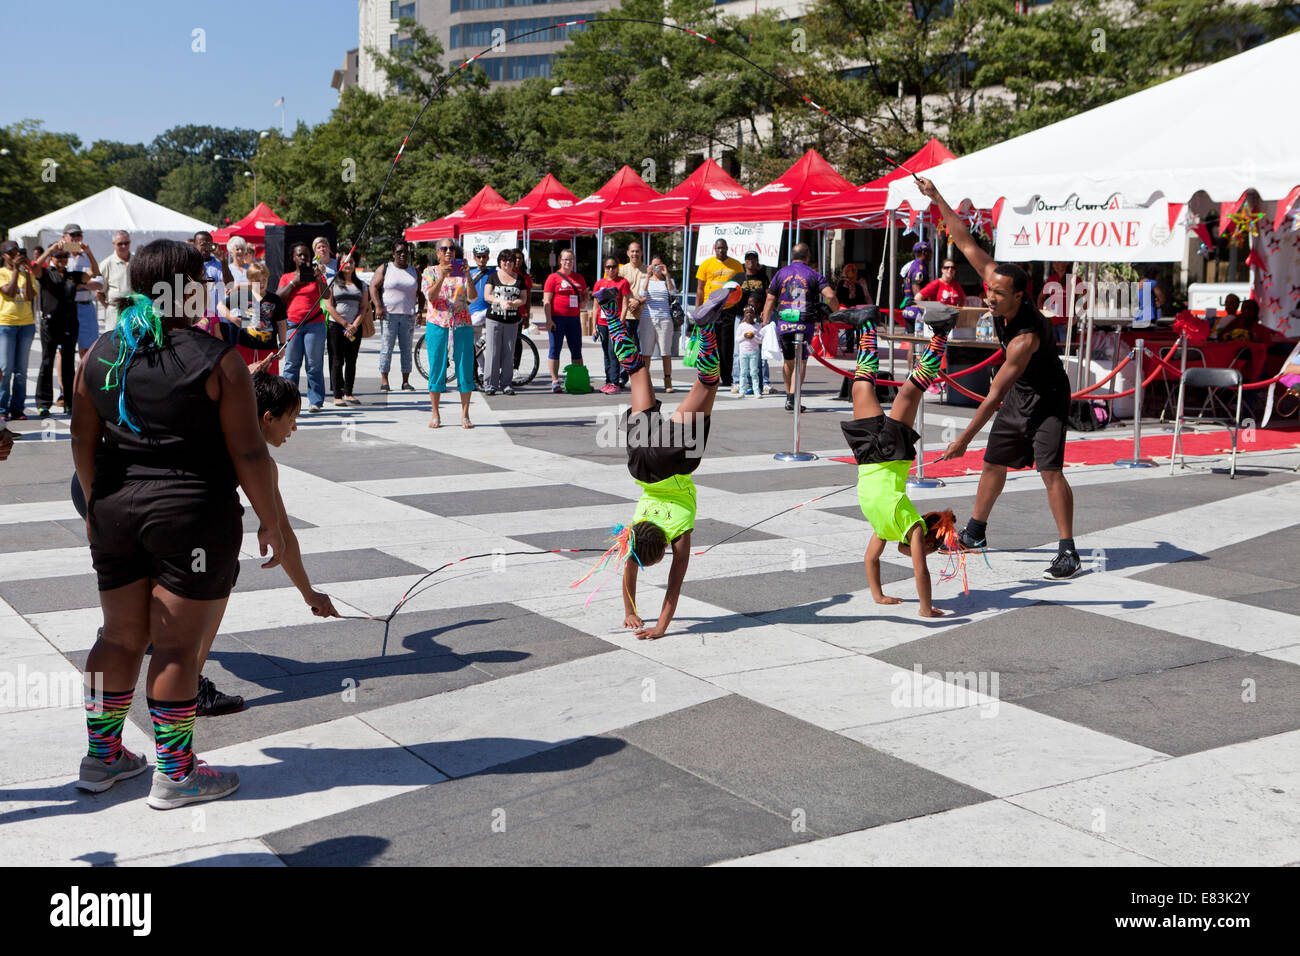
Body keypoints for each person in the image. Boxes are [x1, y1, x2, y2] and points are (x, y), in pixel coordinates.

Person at [69, 238, 282, 807]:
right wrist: (272, 521)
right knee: (176, 650)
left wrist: (95, 506)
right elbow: (251, 453)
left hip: (115, 511)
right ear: (189, 288)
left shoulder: (98, 354)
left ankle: (103, 756)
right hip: (192, 515)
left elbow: (80, 441)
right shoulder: (218, 359)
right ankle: (177, 773)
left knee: (116, 637)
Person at [919, 177, 1080, 580]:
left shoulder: (1025, 337)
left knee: (1050, 471)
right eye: (988, 290)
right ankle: (975, 533)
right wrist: (936, 195)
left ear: (1019, 297)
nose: (989, 296)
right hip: (1021, 395)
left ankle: (1068, 550)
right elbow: (964, 240)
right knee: (994, 463)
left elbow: (992, 396)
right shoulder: (996, 279)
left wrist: (962, 440)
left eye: (998, 294)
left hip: (1048, 398)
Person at [601, 272, 723, 640]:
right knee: (637, 372)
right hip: (640, 461)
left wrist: (661, 627)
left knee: (708, 382)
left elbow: (674, 585)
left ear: (663, 547)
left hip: (674, 459)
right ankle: (609, 312)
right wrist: (630, 612)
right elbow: (628, 570)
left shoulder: (679, 535)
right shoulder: (633, 533)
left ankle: (707, 331)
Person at [841, 302, 960, 617]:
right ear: (930, 541)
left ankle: (867, 326)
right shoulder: (913, 526)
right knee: (909, 393)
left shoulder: (886, 528)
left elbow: (871, 559)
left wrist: (878, 596)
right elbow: (920, 571)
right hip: (892, 455)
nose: (917, 553)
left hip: (867, 457)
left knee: (861, 388)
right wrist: (925, 608)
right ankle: (942, 333)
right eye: (928, 550)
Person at [762, 242, 839, 411]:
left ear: (792, 256)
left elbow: (769, 299)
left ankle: (789, 397)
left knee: (788, 360)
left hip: (784, 322)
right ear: (808, 257)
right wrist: (835, 313)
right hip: (804, 322)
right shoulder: (813, 274)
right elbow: (830, 296)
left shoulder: (781, 273)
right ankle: (793, 396)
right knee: (801, 360)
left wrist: (765, 321)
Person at [30, 242, 88, 417]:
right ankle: (43, 403)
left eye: (65, 256)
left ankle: (69, 402)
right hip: (50, 323)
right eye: (58, 256)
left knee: (69, 364)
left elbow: (95, 273)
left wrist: (88, 252)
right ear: (52, 258)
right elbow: (34, 268)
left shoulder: (73, 276)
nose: (62, 259)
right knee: (47, 362)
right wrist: (49, 250)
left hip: (70, 323)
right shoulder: (47, 274)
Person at [422, 238, 475, 428]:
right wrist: (442, 277)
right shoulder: (430, 272)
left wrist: (469, 276)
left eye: (452, 248)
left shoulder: (461, 272)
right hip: (438, 324)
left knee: (465, 366)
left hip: (462, 324)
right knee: (437, 366)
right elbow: (431, 296)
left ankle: (465, 414)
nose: (448, 252)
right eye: (444, 249)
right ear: (437, 253)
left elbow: (473, 297)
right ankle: (435, 413)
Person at [277, 242, 330, 412]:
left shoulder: (316, 275)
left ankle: (315, 400)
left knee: (314, 365)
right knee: (291, 364)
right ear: (293, 258)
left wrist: (320, 278)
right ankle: (287, 402)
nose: (302, 258)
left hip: (315, 324)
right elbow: (279, 297)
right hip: (293, 325)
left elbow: (327, 295)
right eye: (299, 255)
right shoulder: (287, 277)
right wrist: (295, 282)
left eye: (306, 255)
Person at [370, 241, 422, 393]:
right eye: (399, 252)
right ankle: (385, 381)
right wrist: (378, 306)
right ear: (393, 254)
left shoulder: (414, 271)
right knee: (387, 348)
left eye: (405, 251)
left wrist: (420, 311)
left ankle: (405, 381)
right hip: (389, 315)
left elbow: (421, 293)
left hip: (408, 315)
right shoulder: (386, 268)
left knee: (407, 349)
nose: (403, 254)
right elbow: (373, 286)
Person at [218, 261, 287, 373]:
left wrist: (282, 345)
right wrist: (233, 319)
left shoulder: (275, 299)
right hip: (246, 348)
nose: (262, 283)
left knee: (269, 384)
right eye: (257, 280)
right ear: (250, 281)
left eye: (264, 279)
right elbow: (220, 306)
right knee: (246, 383)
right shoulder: (244, 295)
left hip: (269, 350)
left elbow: (281, 323)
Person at [695, 238, 743, 389]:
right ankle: (710, 374)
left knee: (726, 345)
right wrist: (698, 309)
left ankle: (727, 377)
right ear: (714, 249)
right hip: (711, 309)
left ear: (728, 249)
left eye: (723, 248)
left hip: (728, 309)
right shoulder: (706, 264)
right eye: (718, 248)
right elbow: (700, 289)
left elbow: (740, 289)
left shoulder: (736, 265)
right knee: (711, 343)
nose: (721, 250)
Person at [0, 241, 38, 422]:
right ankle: (2, 407)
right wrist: (15, 269)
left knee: (21, 370)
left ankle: (17, 408)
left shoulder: (26, 272)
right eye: (10, 253)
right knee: (5, 369)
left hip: (26, 324)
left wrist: (27, 269)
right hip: (5, 324)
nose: (15, 255)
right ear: (3, 256)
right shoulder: (1, 273)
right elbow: (9, 292)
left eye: (17, 252)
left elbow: (30, 296)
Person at [325, 256, 369, 406]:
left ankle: (349, 393)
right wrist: (344, 324)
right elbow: (329, 306)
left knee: (352, 360)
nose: (348, 264)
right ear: (339, 264)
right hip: (337, 326)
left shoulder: (361, 284)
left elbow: (363, 307)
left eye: (351, 261)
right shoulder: (332, 281)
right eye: (345, 262)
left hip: (355, 326)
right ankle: (337, 395)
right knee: (337, 360)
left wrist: (354, 325)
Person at [542, 248, 588, 392]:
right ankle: (555, 380)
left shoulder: (579, 278)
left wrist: (584, 300)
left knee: (576, 350)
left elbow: (585, 293)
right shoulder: (553, 278)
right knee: (555, 349)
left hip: (573, 319)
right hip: (557, 318)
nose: (568, 262)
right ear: (560, 261)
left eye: (571, 259)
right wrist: (549, 320)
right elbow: (546, 301)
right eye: (565, 259)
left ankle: (578, 378)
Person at [482, 249, 524, 396]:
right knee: (493, 352)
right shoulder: (493, 277)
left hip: (512, 320)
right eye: (504, 260)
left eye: (510, 260)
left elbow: (523, 298)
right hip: (494, 318)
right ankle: (490, 384)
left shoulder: (519, 279)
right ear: (500, 262)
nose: (507, 263)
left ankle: (506, 383)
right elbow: (487, 296)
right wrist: (499, 301)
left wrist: (513, 304)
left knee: (509, 352)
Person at [59, 224, 103, 358]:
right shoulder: (59, 255)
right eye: (72, 235)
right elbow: (56, 281)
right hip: (66, 307)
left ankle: (81, 379)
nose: (76, 238)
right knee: (64, 351)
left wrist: (80, 285)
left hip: (85, 306)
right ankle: (64, 380)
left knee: (87, 350)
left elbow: (99, 285)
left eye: (79, 235)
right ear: (64, 237)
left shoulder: (88, 256)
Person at [593, 256, 634, 393]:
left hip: (615, 324)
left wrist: (620, 321)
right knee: (606, 353)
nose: (611, 269)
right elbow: (595, 307)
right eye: (608, 267)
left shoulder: (623, 282)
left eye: (613, 267)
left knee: (613, 352)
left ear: (617, 268)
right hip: (602, 323)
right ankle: (608, 381)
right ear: (604, 268)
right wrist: (594, 326)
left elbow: (625, 303)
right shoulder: (599, 283)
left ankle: (615, 383)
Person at [641, 254, 678, 392]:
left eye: (659, 265)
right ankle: (645, 381)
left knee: (665, 352)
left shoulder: (668, 280)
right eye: (654, 265)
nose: (656, 268)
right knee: (646, 352)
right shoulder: (646, 280)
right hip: (648, 318)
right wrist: (647, 275)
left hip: (665, 319)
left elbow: (673, 293)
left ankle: (668, 380)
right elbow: (642, 293)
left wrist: (667, 275)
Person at [737, 252, 771, 391]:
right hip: (742, 318)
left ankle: (764, 382)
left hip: (759, 317)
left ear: (757, 261)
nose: (750, 261)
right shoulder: (738, 277)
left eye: (753, 258)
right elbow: (732, 295)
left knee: (761, 351)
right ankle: (741, 382)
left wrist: (767, 312)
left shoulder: (763, 277)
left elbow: (769, 295)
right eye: (748, 258)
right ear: (744, 261)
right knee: (742, 350)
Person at [193, 231, 233, 321]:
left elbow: (230, 285)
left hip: (216, 318)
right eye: (203, 244)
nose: (206, 247)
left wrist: (223, 261)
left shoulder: (218, 264)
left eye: (209, 244)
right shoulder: (189, 263)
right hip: (195, 318)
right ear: (194, 245)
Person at [97, 231, 133, 329]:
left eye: (126, 243)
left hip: (134, 310)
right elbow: (99, 293)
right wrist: (110, 308)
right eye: (120, 244)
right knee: (113, 342)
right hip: (114, 311)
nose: (124, 246)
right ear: (114, 244)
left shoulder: (137, 261)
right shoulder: (106, 264)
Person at [619, 241, 649, 350]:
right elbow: (617, 291)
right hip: (626, 315)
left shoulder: (648, 270)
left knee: (642, 350)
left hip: (643, 316)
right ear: (628, 253)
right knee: (626, 349)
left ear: (641, 253)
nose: (634, 254)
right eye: (632, 251)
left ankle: (641, 367)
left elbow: (652, 293)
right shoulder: (622, 270)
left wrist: (639, 301)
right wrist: (631, 300)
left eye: (637, 251)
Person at [735, 300, 763, 397]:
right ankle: (742, 390)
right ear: (744, 314)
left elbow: (760, 340)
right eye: (747, 312)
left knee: (754, 372)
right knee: (743, 372)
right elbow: (737, 339)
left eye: (751, 313)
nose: (749, 315)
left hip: (754, 352)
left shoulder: (757, 326)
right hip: (743, 352)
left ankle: (756, 391)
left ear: (755, 315)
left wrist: (754, 337)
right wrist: (744, 336)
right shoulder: (741, 326)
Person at [467, 242, 493, 329]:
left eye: (484, 256)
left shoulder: (494, 273)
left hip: (488, 312)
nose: (481, 259)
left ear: (488, 258)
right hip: (471, 312)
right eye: (479, 256)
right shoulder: (469, 273)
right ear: (474, 258)